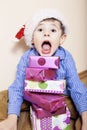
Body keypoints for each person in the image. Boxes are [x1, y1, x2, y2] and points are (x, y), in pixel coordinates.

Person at [0, 9, 87, 130]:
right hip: (36, 102)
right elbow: (17, 87)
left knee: (79, 112)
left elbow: (76, 86)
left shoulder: (66, 57)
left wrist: (85, 117)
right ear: (32, 39)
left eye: (53, 30)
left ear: (62, 38)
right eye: (40, 30)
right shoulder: (27, 58)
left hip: (62, 102)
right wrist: (12, 118)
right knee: (6, 99)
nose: (46, 34)